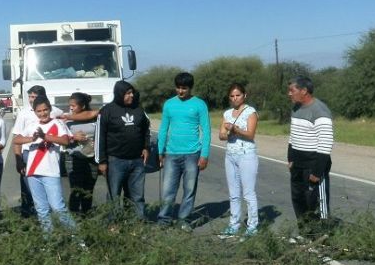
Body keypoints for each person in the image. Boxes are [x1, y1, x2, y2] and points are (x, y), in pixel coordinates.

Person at [13, 96, 76, 233]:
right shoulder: (32, 126)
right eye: (39, 111)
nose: (43, 113)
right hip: (33, 172)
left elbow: (65, 141)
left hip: (50, 172)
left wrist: (45, 136)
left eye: (45, 110)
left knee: (58, 207)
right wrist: (32, 138)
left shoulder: (58, 124)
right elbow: (16, 139)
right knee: (42, 210)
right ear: (35, 112)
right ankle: (50, 243)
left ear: (50, 109)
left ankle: (78, 241)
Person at [157, 72, 211, 231]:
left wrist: (204, 155)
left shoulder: (199, 104)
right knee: (168, 190)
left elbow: (206, 131)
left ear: (190, 88)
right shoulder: (168, 104)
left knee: (189, 189)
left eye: (184, 88)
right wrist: (160, 151)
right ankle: (164, 219)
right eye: (178, 88)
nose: (180, 91)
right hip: (172, 154)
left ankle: (183, 220)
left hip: (192, 154)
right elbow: (163, 129)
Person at [287, 75, 334, 237]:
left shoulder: (320, 111)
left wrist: (317, 172)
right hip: (298, 166)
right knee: (299, 201)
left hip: (313, 165)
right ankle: (305, 235)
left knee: (316, 205)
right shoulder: (296, 109)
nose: (289, 94)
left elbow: (326, 143)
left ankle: (321, 239)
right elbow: (292, 136)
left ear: (304, 91)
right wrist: (290, 159)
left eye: (292, 90)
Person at [96, 82, 150, 220]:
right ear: (120, 94)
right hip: (115, 161)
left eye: (132, 92)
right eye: (127, 93)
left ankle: (136, 225)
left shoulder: (138, 109)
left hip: (137, 161)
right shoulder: (107, 110)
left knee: (137, 196)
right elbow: (100, 136)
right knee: (114, 195)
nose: (131, 95)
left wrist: (146, 147)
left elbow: (145, 130)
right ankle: (113, 225)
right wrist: (102, 161)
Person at [11, 85, 63, 217]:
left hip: (50, 154)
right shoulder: (23, 113)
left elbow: (66, 122)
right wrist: (18, 159)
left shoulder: (55, 112)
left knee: (53, 197)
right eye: (30, 96)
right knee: (29, 189)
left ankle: (51, 217)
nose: (31, 99)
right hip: (29, 153)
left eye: (34, 97)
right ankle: (29, 215)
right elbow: (16, 137)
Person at [217, 83, 260, 238]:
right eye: (232, 96)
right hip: (230, 155)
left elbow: (250, 134)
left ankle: (252, 226)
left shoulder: (250, 112)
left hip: (246, 155)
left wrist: (235, 130)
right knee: (233, 193)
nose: (235, 98)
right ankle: (233, 224)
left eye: (238, 95)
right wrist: (228, 132)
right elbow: (221, 135)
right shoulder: (227, 113)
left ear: (244, 95)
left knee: (248, 193)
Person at [61, 92, 100, 214]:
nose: (71, 108)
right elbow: (61, 139)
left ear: (83, 106)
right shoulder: (65, 120)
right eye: (70, 105)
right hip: (73, 157)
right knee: (76, 189)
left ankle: (86, 215)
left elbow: (95, 113)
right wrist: (73, 137)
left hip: (92, 158)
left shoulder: (95, 116)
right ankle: (73, 217)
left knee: (89, 189)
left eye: (74, 105)